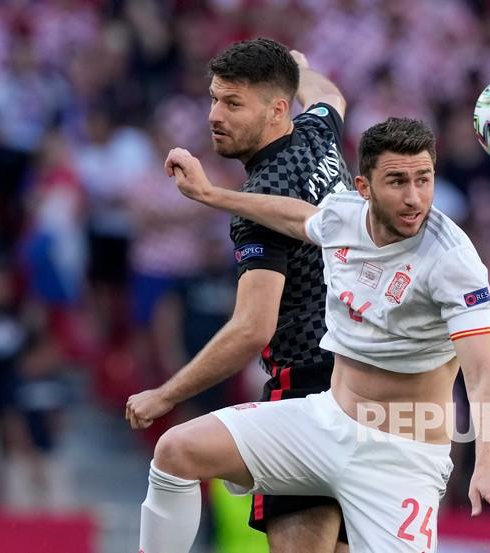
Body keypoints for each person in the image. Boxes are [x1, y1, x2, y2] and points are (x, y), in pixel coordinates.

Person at [138, 117, 490, 552]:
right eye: (397, 181)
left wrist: (488, 466)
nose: (414, 198)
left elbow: (486, 378)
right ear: (364, 187)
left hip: (399, 460)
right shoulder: (345, 216)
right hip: (325, 423)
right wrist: (209, 194)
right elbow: (302, 219)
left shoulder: (453, 262)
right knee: (175, 452)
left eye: (423, 180)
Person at [125, 38, 354, 552]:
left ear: (276, 110)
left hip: (307, 394)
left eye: (232, 103)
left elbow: (253, 328)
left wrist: (166, 394)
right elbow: (332, 97)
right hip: (362, 389)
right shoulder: (318, 135)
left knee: (174, 454)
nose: (213, 116)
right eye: (213, 99)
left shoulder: (260, 201)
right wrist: (302, 69)